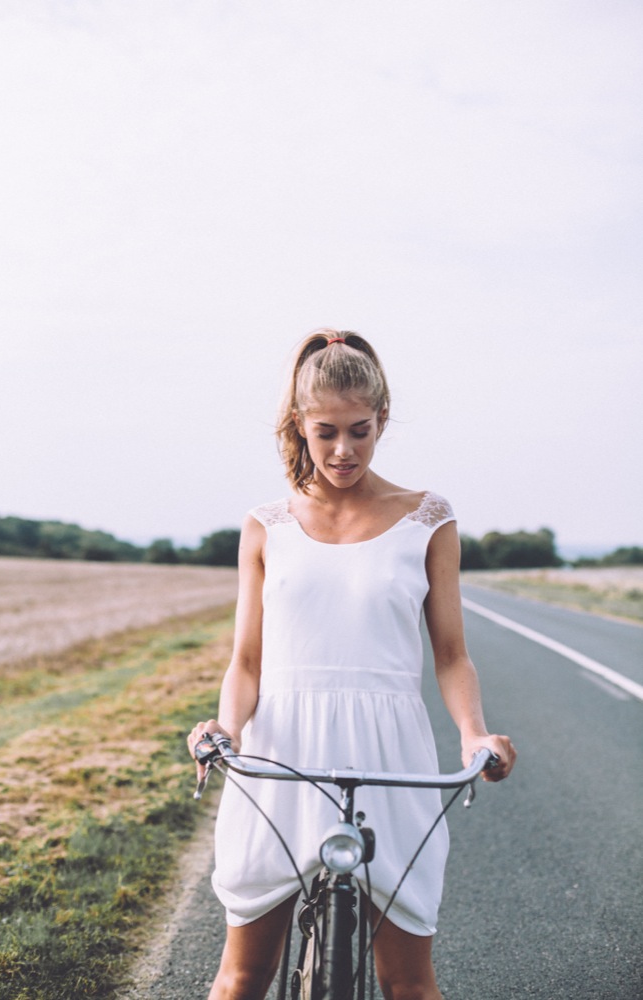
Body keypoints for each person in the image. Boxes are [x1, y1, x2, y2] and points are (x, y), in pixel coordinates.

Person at [188, 329, 516, 1000]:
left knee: (410, 984)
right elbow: (246, 661)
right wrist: (226, 730)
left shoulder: (428, 517)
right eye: (326, 432)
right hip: (281, 753)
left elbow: (451, 656)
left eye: (361, 431)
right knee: (240, 979)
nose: (344, 450)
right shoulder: (266, 524)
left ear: (383, 420)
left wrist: (474, 734)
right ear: (299, 427)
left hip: (390, 753)